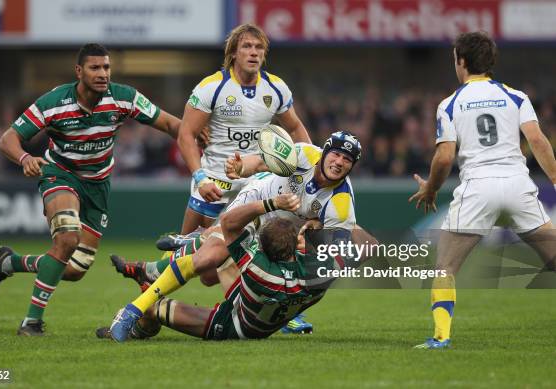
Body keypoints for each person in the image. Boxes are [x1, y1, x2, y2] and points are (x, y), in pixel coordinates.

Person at [0, 43, 187, 336]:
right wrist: (25, 158)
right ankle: (31, 322)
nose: (103, 74)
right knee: (67, 239)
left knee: (75, 269)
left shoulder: (123, 98)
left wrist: (197, 135)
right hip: (60, 174)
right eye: (95, 68)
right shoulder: (54, 101)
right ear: (79, 71)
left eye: (106, 67)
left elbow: (168, 123)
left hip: (98, 184)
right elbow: (7, 138)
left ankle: (8, 263)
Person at [108, 131, 377, 341]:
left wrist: (315, 231)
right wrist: (240, 168)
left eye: (347, 160)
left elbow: (333, 248)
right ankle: (134, 309)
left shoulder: (341, 205)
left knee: (210, 276)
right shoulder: (305, 154)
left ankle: (189, 244)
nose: (340, 162)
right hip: (259, 203)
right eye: (337, 154)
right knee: (208, 259)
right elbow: (260, 161)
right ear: (325, 152)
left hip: (280, 233)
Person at [409, 32, 556, 349]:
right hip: (518, 185)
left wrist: (431, 190)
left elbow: (445, 156)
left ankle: (440, 337)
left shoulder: (450, 104)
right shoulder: (515, 96)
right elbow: (538, 140)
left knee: (446, 268)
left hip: (478, 188)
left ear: (460, 60)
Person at [106, 193, 344, 342]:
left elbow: (230, 223)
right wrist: (321, 226)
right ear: (294, 248)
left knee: (153, 308)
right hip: (261, 305)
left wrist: (271, 204)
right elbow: (369, 243)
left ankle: (139, 329)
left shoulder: (256, 267)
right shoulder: (321, 275)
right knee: (221, 249)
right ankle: (194, 242)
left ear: (263, 249)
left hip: (235, 325)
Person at [177, 23, 310, 235]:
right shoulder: (211, 87)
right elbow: (186, 135)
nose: (253, 52)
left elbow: (295, 128)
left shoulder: (276, 88)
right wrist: (200, 179)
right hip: (215, 183)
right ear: (233, 53)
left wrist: (307, 170)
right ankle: (151, 268)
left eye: (259, 47)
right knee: (189, 252)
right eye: (247, 46)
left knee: (253, 254)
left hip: (257, 184)